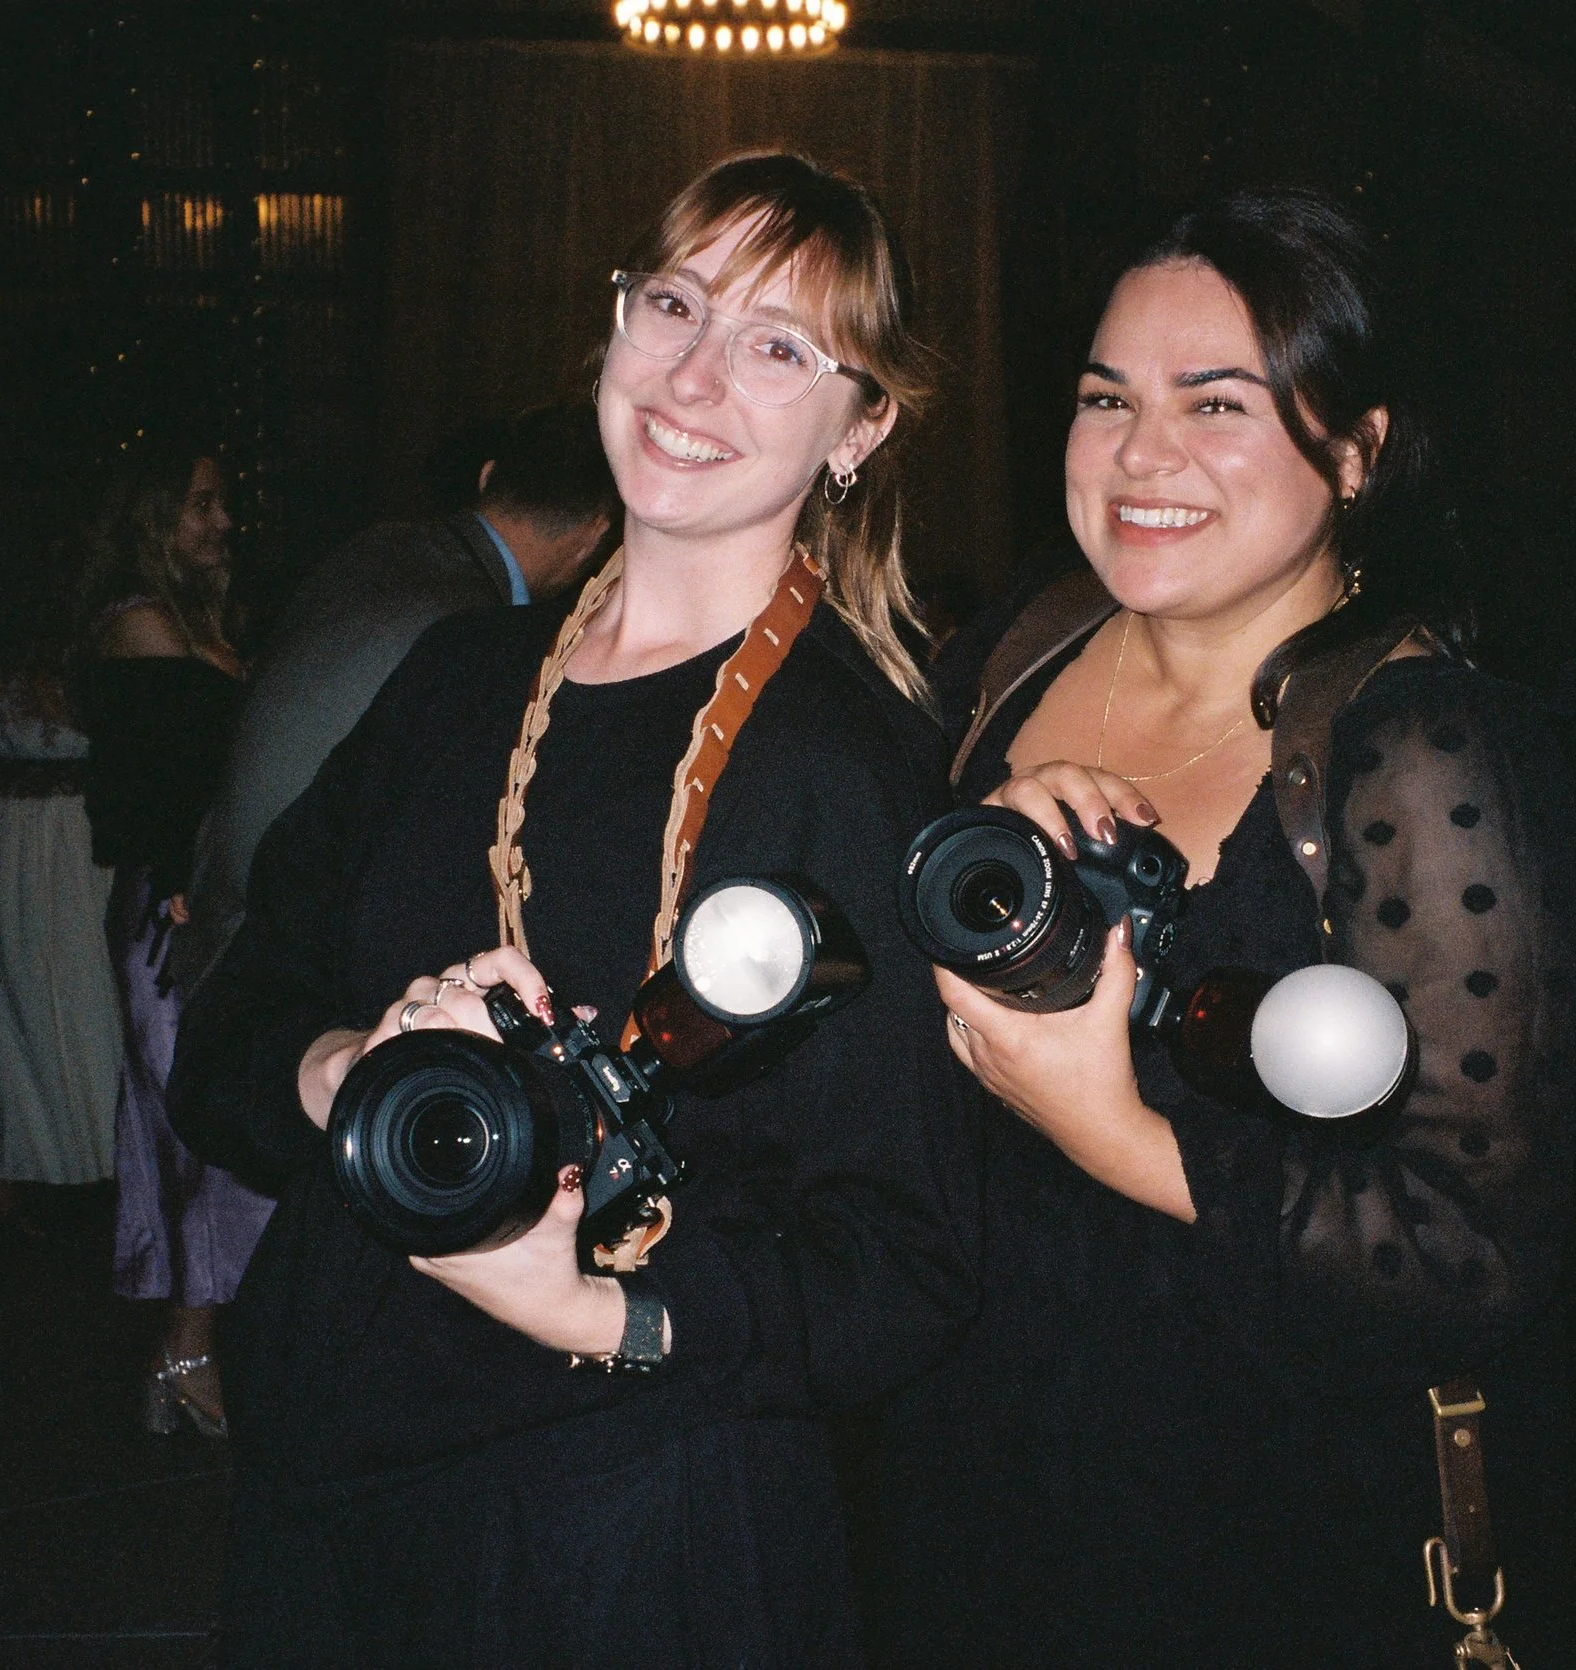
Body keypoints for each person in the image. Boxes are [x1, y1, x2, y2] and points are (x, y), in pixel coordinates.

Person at [167, 151, 978, 1665]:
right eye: (672, 303)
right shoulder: (458, 677)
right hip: (327, 1489)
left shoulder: (849, 768)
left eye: (779, 346)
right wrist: (339, 1066)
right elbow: (225, 1019)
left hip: (629, 1521)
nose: (695, 375)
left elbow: (905, 1267)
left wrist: (605, 1307)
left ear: (862, 426)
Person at [874, 191, 1576, 1665]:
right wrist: (972, 835)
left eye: (1218, 404)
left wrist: (1109, 1125)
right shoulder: (1015, 649)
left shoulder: (1431, 747)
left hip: (1264, 1529)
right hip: (962, 1480)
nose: (1144, 455)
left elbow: (1469, 1257)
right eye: (1105, 398)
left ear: (1361, 447)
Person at [170, 402, 616, 993]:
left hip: (211, 905)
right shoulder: (472, 630)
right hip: (275, 964)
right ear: (595, 539)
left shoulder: (381, 548)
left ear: (486, 478)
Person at [76, 438, 271, 1436]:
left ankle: (184, 1350)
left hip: (202, 894)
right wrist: (192, 881)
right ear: (153, 516)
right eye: (201, 504)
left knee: (206, 1119)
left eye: (221, 501)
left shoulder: (199, 621)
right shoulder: (141, 625)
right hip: (171, 906)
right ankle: (189, 1346)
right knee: (194, 1124)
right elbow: (160, 779)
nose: (221, 520)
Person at [0, 549, 121, 1219]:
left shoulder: (83, 658)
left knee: (71, 995)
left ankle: (91, 1159)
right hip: (12, 834)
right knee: (2, 994)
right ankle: (6, 1168)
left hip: (62, 838)